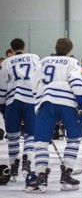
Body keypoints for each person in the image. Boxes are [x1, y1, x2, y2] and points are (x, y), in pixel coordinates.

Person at [25, 38, 82, 192]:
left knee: (41, 142)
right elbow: (77, 82)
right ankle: (66, 173)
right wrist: (81, 105)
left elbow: (34, 83)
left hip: (46, 102)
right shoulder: (72, 62)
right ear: (69, 50)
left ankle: (40, 176)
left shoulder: (44, 61)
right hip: (67, 103)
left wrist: (37, 102)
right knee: (73, 139)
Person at [0, 38, 40, 182]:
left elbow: (2, 87)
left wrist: (3, 107)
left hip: (12, 101)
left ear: (11, 48)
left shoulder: (5, 63)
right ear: (23, 47)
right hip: (31, 100)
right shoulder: (34, 58)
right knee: (31, 134)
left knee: (12, 136)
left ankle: (13, 169)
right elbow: (40, 78)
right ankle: (27, 161)